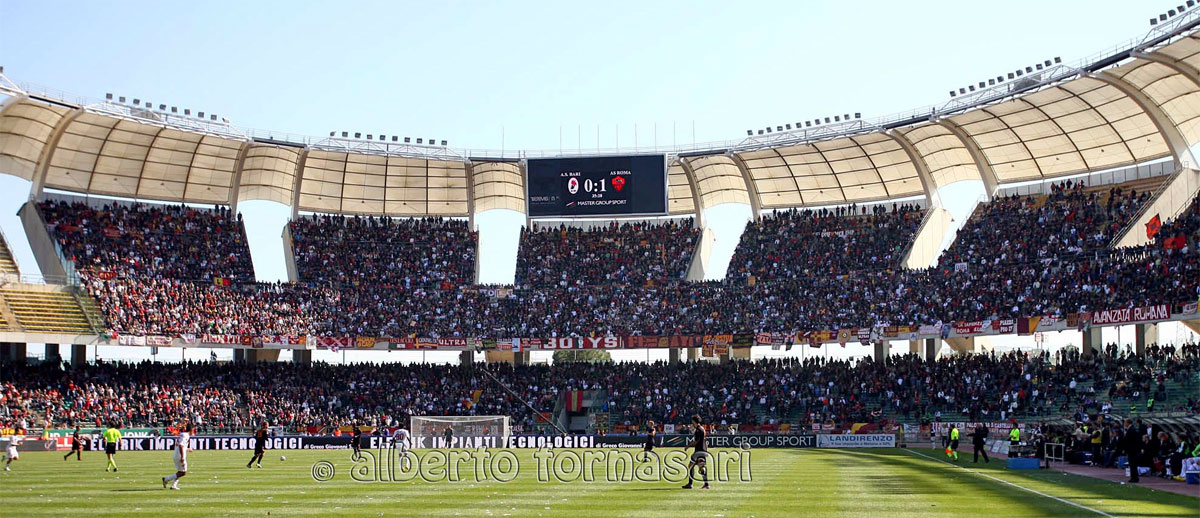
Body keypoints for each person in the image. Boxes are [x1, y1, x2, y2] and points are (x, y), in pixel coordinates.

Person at [161, 423, 193, 490]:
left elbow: (181, 446)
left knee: (180, 471)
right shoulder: (185, 435)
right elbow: (181, 445)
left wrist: (187, 449)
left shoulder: (182, 434)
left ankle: (174, 486)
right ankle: (166, 479)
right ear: (191, 430)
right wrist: (182, 457)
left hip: (176, 454)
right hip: (179, 455)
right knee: (183, 472)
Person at [682, 415, 709, 490]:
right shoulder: (702, 429)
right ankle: (691, 484)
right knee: (696, 467)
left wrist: (688, 446)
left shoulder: (698, 430)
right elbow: (705, 440)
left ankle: (705, 484)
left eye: (692, 421)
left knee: (695, 467)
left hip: (699, 451)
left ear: (694, 421)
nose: (691, 423)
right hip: (701, 450)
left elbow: (696, 441)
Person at [1123, 419, 1143, 483]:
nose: (1124, 424)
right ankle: (1134, 477)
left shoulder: (1131, 429)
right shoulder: (1131, 429)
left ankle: (1134, 478)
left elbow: (1130, 440)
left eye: (1125, 422)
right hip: (1132, 449)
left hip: (1132, 450)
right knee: (1132, 464)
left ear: (1128, 423)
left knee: (1133, 464)